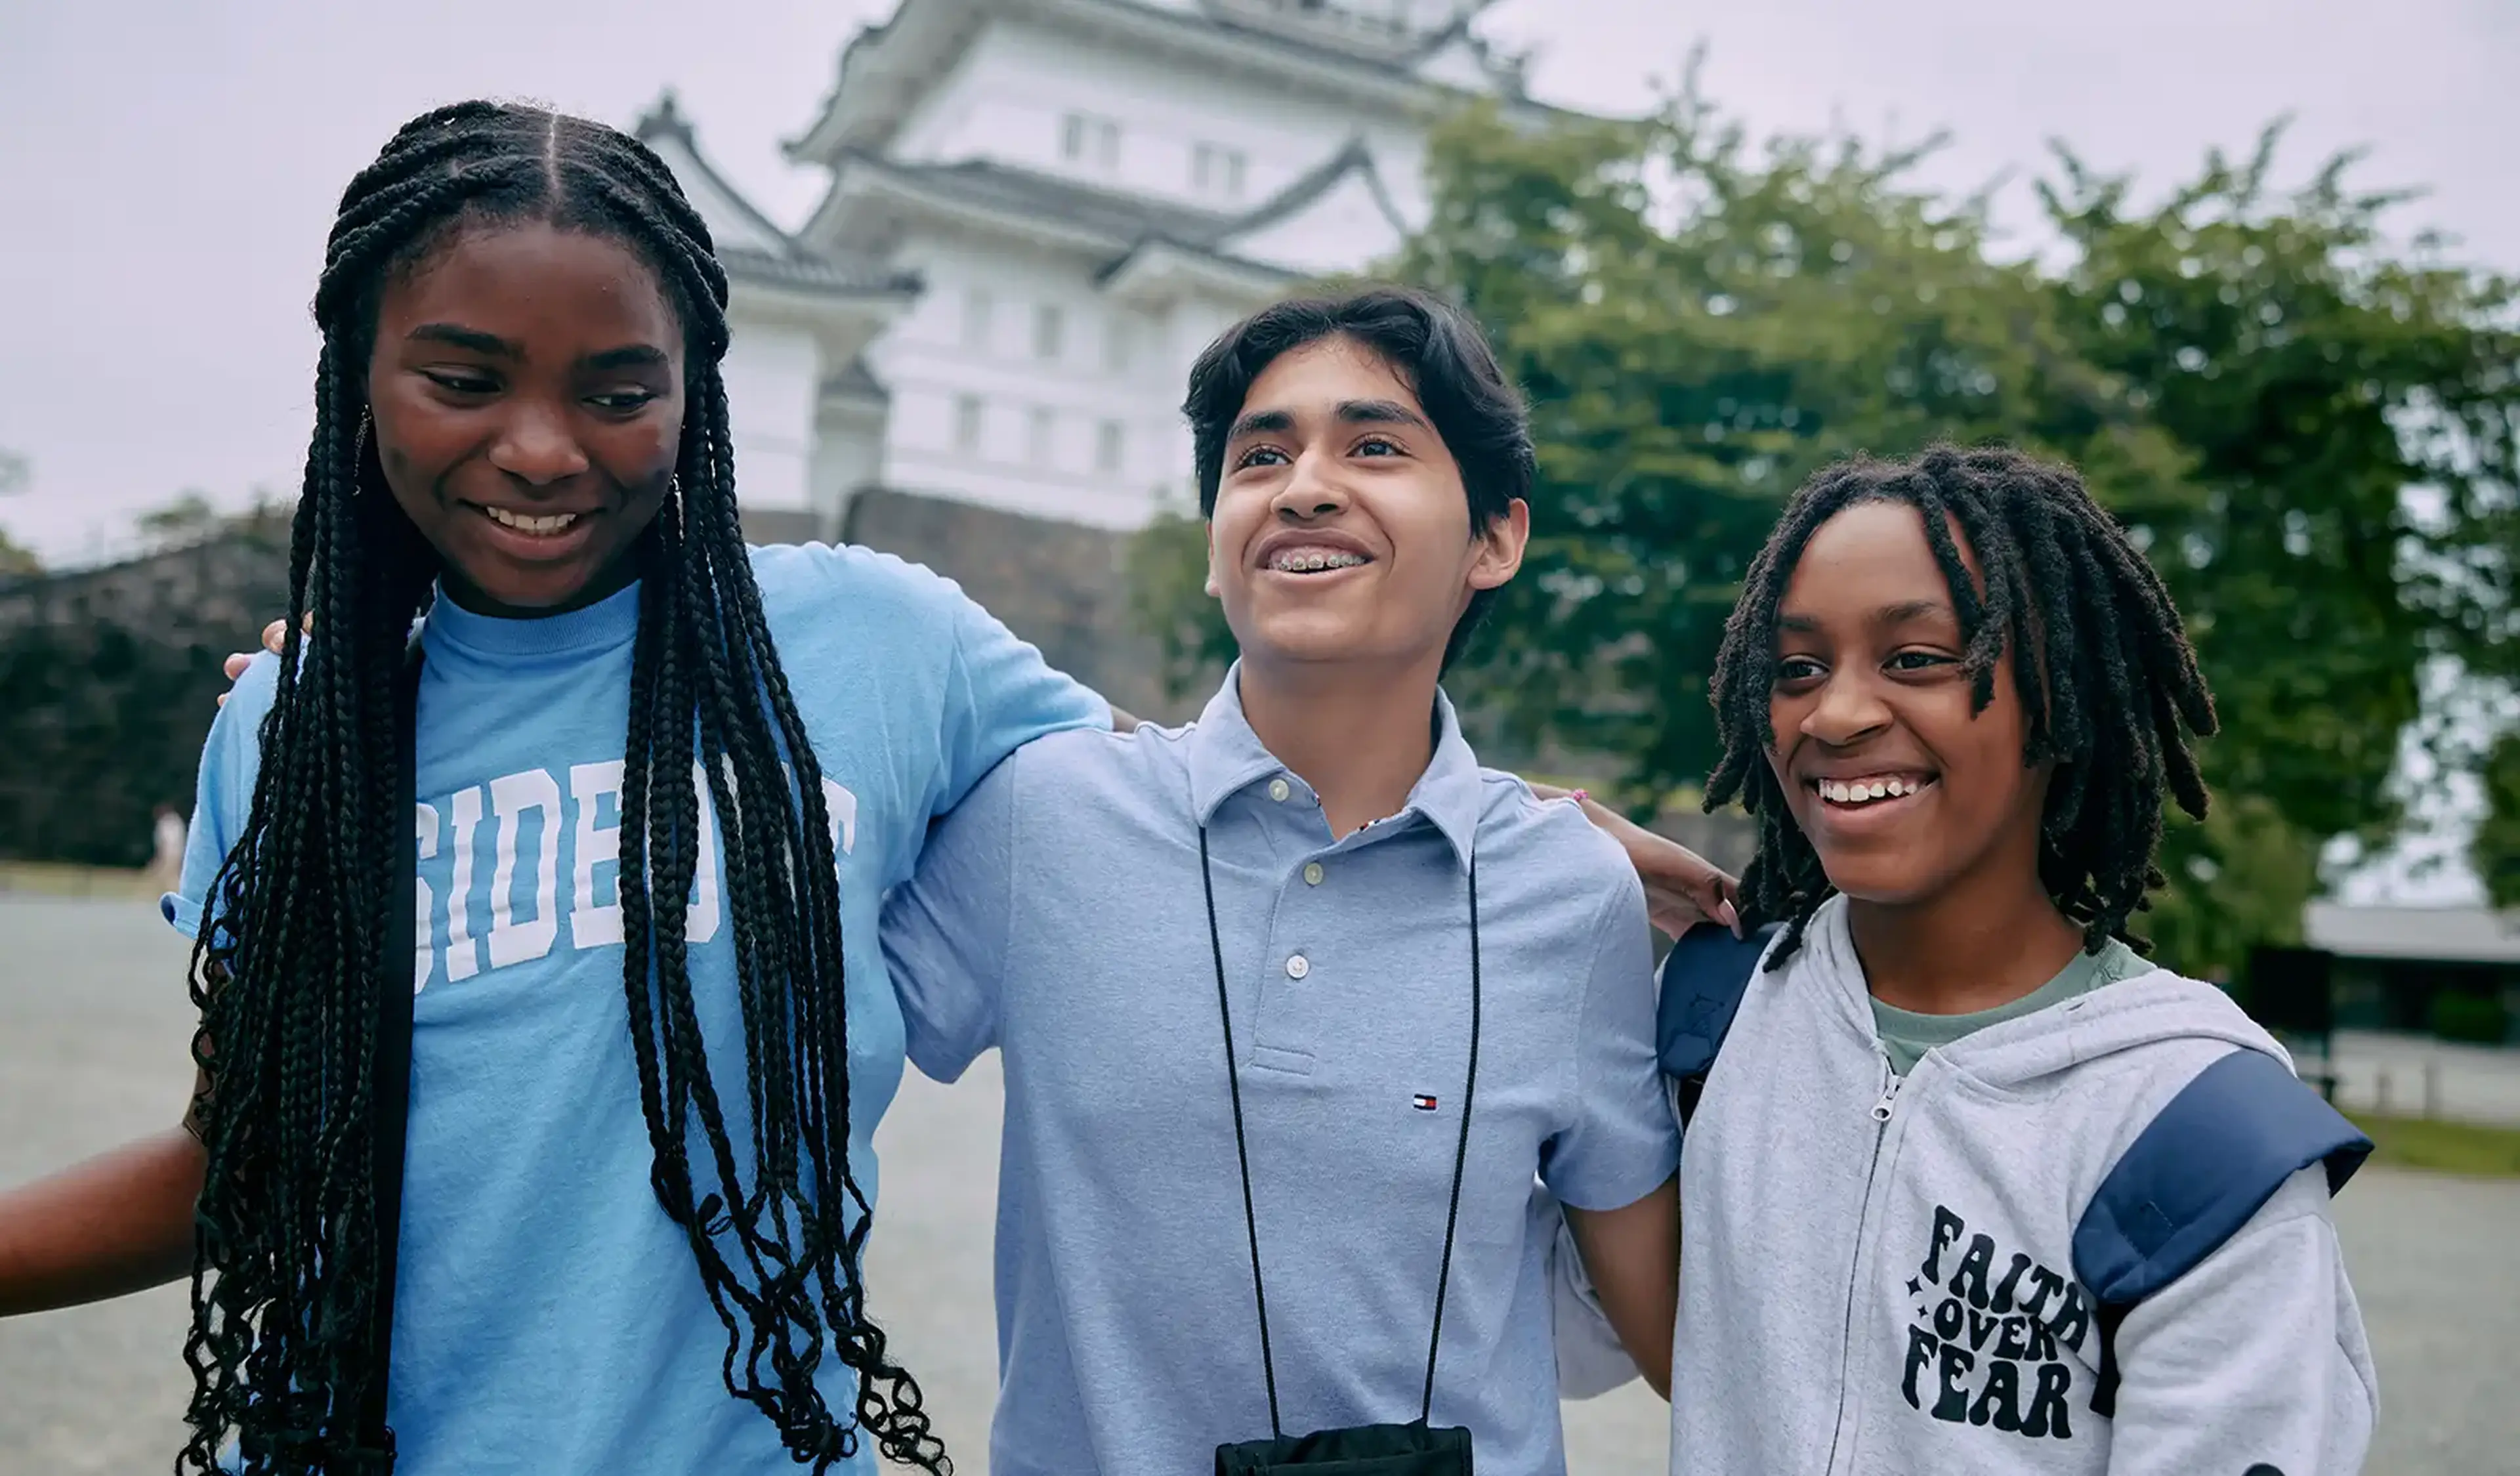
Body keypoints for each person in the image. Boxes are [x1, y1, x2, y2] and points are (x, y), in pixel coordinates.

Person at [0, 101, 1110, 1475]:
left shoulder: (879, 644)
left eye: (616, 391)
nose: (541, 447)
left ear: (693, 393)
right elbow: (242, 1165)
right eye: (463, 381)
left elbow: (1204, 821)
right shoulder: (296, 731)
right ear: (358, 375)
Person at [879, 287, 1684, 1475]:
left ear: (1495, 542)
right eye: (1261, 455)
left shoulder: (1574, 894)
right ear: (1216, 543)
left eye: (1374, 446)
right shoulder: (1042, 820)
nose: (1305, 484)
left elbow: (1676, 1332)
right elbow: (772, 1050)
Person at [1560, 445, 2378, 1473]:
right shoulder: (1716, 1015)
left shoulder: (2196, 1123)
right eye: (1797, 668)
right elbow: (1668, 1353)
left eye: (1916, 659)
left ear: (2059, 691)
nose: (1837, 715)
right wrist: (1512, 852)